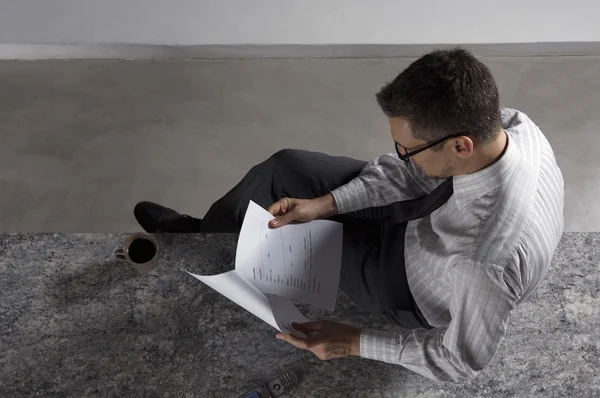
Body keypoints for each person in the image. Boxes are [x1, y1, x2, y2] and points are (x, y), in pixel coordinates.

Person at [133, 48, 564, 382]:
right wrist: (325, 203)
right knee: (286, 167)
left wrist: (352, 341)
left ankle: (207, 247)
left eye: (407, 149)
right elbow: (414, 176)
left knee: (300, 238)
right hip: (426, 221)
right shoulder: (513, 126)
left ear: (461, 145)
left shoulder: (482, 260)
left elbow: (461, 359)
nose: (400, 157)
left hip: (407, 284)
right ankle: (208, 234)